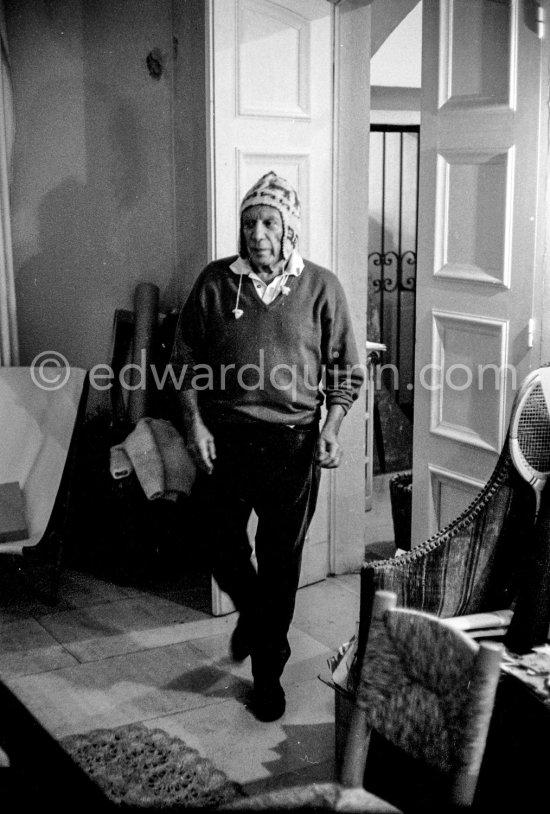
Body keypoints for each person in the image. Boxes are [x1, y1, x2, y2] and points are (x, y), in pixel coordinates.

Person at [170, 171, 363, 721]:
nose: (257, 234)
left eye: (269, 223)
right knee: (216, 542)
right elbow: (183, 365)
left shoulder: (321, 287)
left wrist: (331, 429)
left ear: (289, 230)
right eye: (249, 223)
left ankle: (268, 675)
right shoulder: (214, 283)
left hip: (293, 443)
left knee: (281, 562)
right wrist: (195, 426)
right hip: (225, 438)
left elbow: (346, 370)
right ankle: (256, 620)